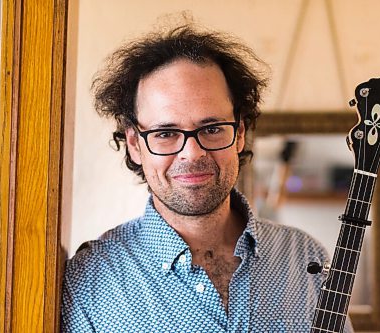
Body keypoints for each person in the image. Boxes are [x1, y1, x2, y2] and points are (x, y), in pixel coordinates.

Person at [61, 24, 354, 333]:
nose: (192, 153)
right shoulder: (89, 283)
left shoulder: (306, 259)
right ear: (134, 144)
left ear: (239, 134)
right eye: (166, 133)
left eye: (212, 129)